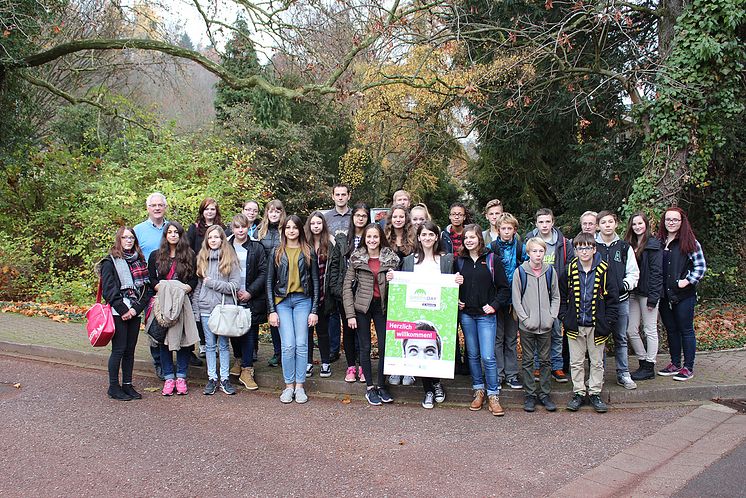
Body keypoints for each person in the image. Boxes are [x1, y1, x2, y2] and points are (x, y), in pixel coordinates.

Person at [399, 221, 463, 409]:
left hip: (439, 313)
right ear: (418, 237)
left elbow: (454, 283)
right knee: (420, 348)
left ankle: (436, 383)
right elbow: (402, 286)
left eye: (431, 235)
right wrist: (393, 278)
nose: (427, 238)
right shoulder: (409, 260)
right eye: (424, 235)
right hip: (416, 313)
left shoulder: (447, 260)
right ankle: (429, 389)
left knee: (432, 348)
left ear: (437, 237)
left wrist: (458, 280)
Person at [560, 232, 619, 413]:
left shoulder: (604, 269)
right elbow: (561, 297)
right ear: (575, 250)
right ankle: (578, 392)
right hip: (575, 324)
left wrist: (608, 321)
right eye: (580, 248)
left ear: (594, 249)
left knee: (596, 361)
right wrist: (564, 316)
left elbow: (613, 299)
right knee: (576, 362)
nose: (584, 251)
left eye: (587, 247)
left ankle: (594, 393)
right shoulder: (569, 270)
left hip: (597, 324)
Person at [343, 223, 400, 406]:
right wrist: (350, 314)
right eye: (369, 237)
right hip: (362, 308)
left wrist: (395, 277)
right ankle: (370, 387)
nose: (372, 240)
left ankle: (382, 385)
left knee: (384, 346)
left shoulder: (391, 259)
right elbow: (347, 287)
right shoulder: (357, 258)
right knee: (365, 347)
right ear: (364, 239)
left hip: (382, 307)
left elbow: (401, 286)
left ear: (380, 238)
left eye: (375, 237)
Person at [456, 225, 510, 417]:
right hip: (467, 315)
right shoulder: (459, 262)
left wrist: (494, 305)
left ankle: (493, 394)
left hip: (486, 316)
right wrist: (456, 299)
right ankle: (478, 390)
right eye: (466, 238)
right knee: (472, 354)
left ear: (479, 238)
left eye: (472, 237)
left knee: (488, 356)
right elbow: (451, 287)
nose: (469, 241)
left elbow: (504, 288)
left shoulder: (492, 259)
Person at [267, 215, 320, 404]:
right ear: (284, 230)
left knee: (301, 344)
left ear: (299, 230)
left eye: (295, 227)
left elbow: (315, 281)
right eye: (288, 227)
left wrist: (314, 309)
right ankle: (288, 386)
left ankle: (300, 386)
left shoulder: (308, 251)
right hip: (282, 302)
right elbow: (269, 281)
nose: (291, 230)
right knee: (288, 345)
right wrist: (271, 310)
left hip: (302, 301)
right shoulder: (276, 251)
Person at [147, 222, 199, 396]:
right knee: (164, 340)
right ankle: (169, 377)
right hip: (163, 303)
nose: (173, 235)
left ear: (181, 235)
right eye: (169, 232)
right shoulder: (156, 255)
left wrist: (185, 288)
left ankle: (182, 377)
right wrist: (162, 288)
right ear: (165, 235)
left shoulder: (190, 255)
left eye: (176, 232)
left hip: (183, 303)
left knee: (184, 341)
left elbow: (193, 280)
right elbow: (151, 279)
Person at [99, 226, 151, 400]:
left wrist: (135, 309)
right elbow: (109, 289)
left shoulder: (140, 261)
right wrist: (123, 310)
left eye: (131, 238)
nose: (128, 241)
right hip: (117, 311)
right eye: (125, 237)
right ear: (119, 240)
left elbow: (146, 289)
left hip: (134, 311)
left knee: (130, 350)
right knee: (119, 350)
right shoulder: (109, 262)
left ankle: (127, 385)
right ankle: (114, 386)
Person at [656, 207, 706, 381]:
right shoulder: (659, 241)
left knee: (686, 330)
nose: (671, 223)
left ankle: (688, 367)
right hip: (664, 294)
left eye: (675, 220)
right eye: (668, 219)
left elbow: (700, 267)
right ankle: (675, 363)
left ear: (681, 221)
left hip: (684, 294)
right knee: (671, 330)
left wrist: (687, 280)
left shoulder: (690, 242)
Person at [524, 208, 574, 383]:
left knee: (556, 331)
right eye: (541, 222)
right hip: (534, 292)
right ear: (536, 223)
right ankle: (537, 367)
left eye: (548, 221)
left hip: (556, 291)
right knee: (536, 331)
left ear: (553, 222)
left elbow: (569, 264)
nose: (544, 225)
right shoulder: (529, 240)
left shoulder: (563, 242)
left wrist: (559, 277)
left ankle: (557, 366)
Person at [512, 237, 560, 413]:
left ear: (544, 253)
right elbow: (516, 298)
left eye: (541, 251)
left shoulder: (550, 271)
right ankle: (530, 394)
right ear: (528, 253)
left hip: (545, 325)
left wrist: (551, 316)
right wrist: (524, 318)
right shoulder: (521, 272)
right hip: (527, 325)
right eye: (534, 251)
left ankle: (545, 393)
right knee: (527, 360)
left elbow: (556, 296)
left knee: (546, 360)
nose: (537, 254)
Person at [193, 225, 241, 396]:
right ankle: (212, 378)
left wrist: (213, 283)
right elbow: (199, 286)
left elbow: (235, 286)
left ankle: (225, 378)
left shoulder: (230, 260)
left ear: (222, 239)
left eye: (217, 237)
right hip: (206, 308)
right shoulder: (202, 259)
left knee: (223, 345)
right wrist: (195, 309)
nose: (213, 240)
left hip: (223, 310)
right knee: (210, 345)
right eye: (210, 237)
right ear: (207, 240)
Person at [595, 210, 640, 390]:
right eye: (603, 222)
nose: (607, 225)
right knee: (599, 338)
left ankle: (623, 373)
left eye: (610, 221)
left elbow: (633, 272)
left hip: (620, 300)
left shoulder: (624, 247)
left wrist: (624, 286)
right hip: (598, 302)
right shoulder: (592, 246)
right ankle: (599, 374)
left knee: (620, 337)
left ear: (616, 224)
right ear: (598, 225)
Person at [328, 203, 369, 382]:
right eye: (357, 215)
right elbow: (335, 266)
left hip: (365, 292)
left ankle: (363, 365)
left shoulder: (372, 238)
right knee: (348, 330)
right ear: (352, 218)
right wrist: (338, 290)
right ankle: (351, 366)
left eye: (364, 216)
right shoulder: (343, 239)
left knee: (363, 331)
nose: (360, 218)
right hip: (345, 293)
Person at [227, 213, 267, 390]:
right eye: (237, 227)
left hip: (250, 297)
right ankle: (238, 359)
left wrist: (250, 292)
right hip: (230, 296)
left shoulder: (257, 248)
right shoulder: (226, 246)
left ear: (248, 228)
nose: (240, 230)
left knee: (249, 332)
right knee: (233, 331)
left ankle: (247, 369)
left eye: (243, 226)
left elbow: (263, 272)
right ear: (232, 229)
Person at [488, 212, 526, 390]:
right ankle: (498, 374)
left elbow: (527, 268)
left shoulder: (520, 248)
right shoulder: (491, 247)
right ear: (497, 230)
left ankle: (511, 374)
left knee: (511, 338)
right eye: (503, 228)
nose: (506, 231)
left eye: (509, 228)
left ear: (514, 230)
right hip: (496, 299)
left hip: (514, 300)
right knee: (497, 338)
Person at [134, 192, 170, 379]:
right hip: (148, 285)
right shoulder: (138, 230)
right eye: (153, 205)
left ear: (165, 207)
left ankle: (177, 359)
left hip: (170, 284)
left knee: (172, 321)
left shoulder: (171, 228)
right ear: (147, 208)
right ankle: (159, 363)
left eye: (160, 205)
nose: (157, 208)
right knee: (154, 323)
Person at [623, 212, 663, 381]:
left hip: (648, 294)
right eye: (634, 224)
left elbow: (656, 272)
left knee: (649, 329)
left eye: (640, 223)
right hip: (633, 293)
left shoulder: (653, 244)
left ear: (646, 224)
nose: (637, 227)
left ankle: (650, 365)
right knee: (631, 329)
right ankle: (642, 359)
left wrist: (654, 298)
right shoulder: (628, 245)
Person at [187, 197, 225, 362]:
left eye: (213, 209)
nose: (210, 212)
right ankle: (203, 343)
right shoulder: (194, 229)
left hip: (217, 273)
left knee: (217, 309)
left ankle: (216, 343)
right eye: (207, 209)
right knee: (200, 308)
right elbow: (188, 251)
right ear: (202, 211)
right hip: (199, 273)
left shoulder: (223, 229)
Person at [305, 211, 334, 378]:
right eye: (313, 223)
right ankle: (308, 362)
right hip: (306, 295)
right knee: (307, 331)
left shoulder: (329, 244)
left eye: (319, 223)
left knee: (323, 330)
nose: (316, 226)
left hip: (324, 294)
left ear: (323, 225)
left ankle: (325, 362)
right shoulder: (304, 244)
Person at [258, 199, 286, 368]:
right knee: (273, 317)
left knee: (285, 318)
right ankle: (277, 352)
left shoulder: (287, 230)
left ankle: (286, 352)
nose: (274, 214)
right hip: (266, 279)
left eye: (277, 211)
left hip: (284, 280)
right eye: (271, 211)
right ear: (267, 213)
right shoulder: (260, 232)